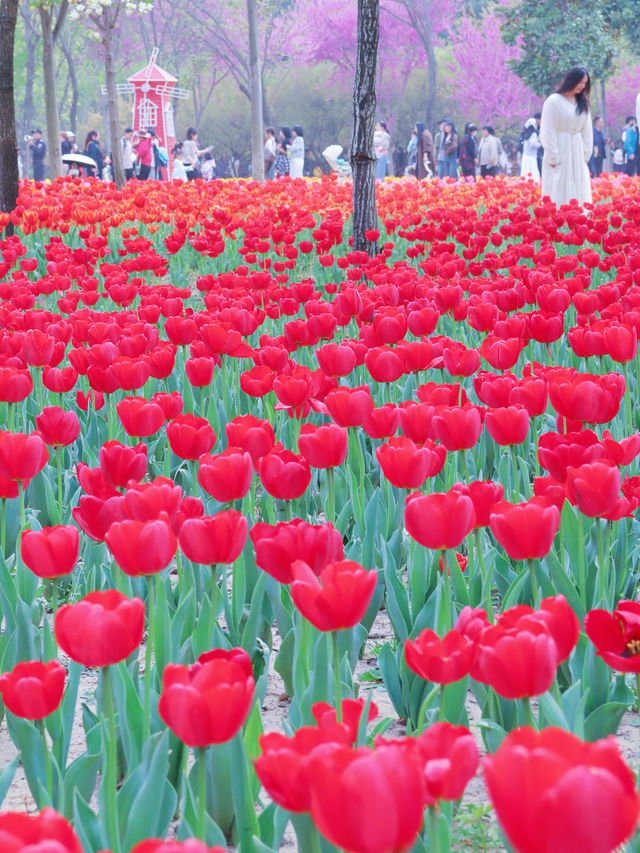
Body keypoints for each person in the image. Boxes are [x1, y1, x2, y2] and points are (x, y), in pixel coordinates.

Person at [540, 65, 593, 207]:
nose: (582, 86)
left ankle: (580, 220)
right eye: (580, 82)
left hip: (578, 151)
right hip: (560, 149)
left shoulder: (583, 104)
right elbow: (548, 131)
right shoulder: (553, 101)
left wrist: (586, 155)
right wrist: (554, 156)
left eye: (585, 83)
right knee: (559, 184)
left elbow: (587, 131)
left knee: (578, 187)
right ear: (571, 80)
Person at [520, 117, 541, 181]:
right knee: (532, 171)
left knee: (526, 172)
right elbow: (534, 144)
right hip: (531, 157)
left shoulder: (526, 134)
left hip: (525, 156)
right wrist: (541, 143)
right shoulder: (533, 134)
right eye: (535, 124)